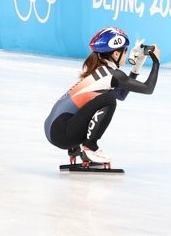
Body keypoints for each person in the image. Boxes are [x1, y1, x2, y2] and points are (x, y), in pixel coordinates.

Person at [43, 27, 160, 165]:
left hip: (54, 129)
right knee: (108, 99)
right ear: (116, 54)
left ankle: (77, 148)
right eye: (125, 50)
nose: (126, 53)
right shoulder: (113, 75)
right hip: (62, 132)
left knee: (106, 98)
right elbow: (148, 89)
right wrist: (156, 62)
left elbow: (121, 95)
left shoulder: (102, 72)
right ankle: (89, 147)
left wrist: (137, 66)